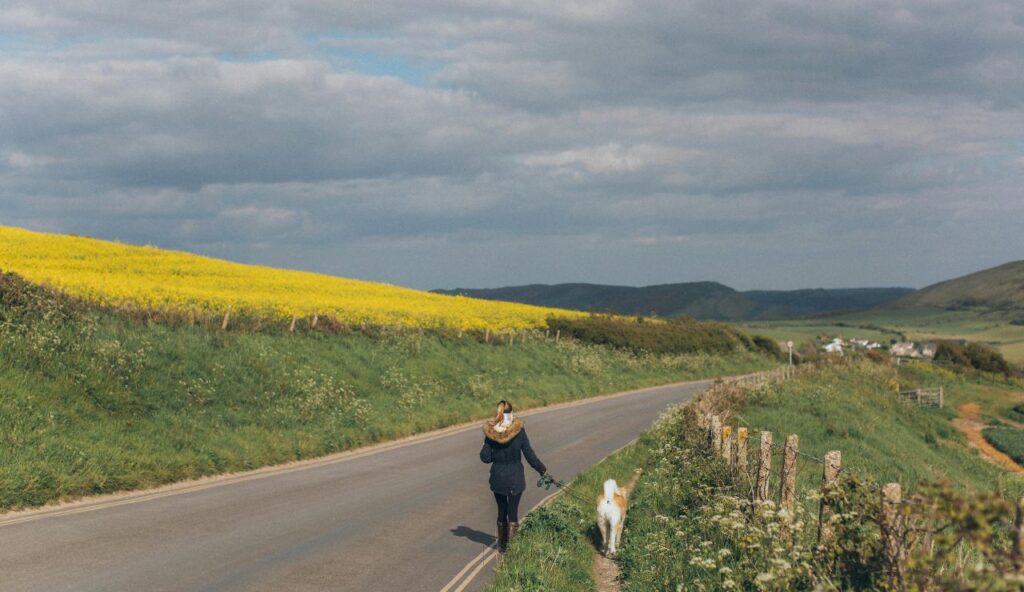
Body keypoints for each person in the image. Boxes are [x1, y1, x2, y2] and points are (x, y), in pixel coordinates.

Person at [479, 400, 547, 552]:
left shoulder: (491, 433)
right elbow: (529, 455)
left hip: (498, 477)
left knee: (501, 510)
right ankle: (513, 547)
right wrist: (542, 470)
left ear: (498, 414)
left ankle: (502, 546)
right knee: (513, 512)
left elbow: (485, 458)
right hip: (515, 476)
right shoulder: (519, 431)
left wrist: (491, 450)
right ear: (511, 412)